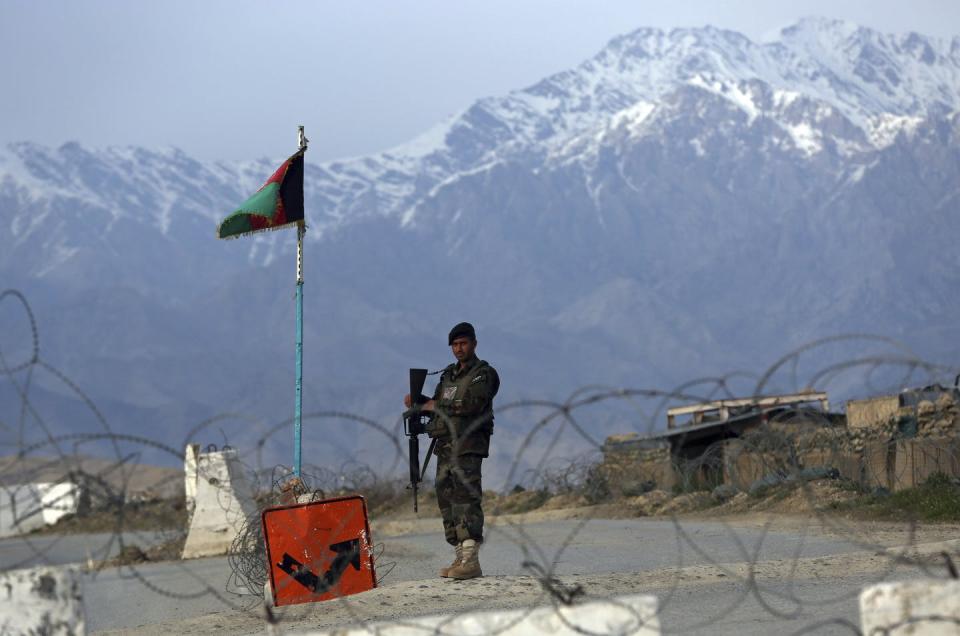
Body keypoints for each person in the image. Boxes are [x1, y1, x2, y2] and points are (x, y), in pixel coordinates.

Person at [403, 322, 499, 580]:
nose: (459, 349)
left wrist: (435, 404)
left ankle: (471, 560)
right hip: (445, 447)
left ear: (474, 344)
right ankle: (460, 554)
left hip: (468, 446)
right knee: (447, 500)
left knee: (466, 498)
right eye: (455, 345)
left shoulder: (484, 374)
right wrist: (419, 401)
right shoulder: (448, 376)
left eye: (464, 343)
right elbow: (438, 404)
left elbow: (472, 403)